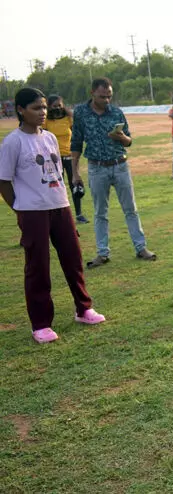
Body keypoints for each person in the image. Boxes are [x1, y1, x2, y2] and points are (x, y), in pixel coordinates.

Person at [0, 88, 106, 344]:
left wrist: (64, 201)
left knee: (73, 258)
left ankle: (84, 309)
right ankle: (41, 324)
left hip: (60, 205)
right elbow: (3, 181)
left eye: (44, 107)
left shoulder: (49, 138)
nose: (43, 112)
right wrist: (20, 208)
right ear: (21, 110)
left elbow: (57, 173)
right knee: (38, 267)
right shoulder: (13, 142)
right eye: (36, 108)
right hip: (32, 211)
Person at [71, 77, 156, 268]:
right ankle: (102, 253)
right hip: (97, 168)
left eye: (109, 96)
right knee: (100, 212)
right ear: (92, 93)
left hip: (120, 166)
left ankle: (141, 248)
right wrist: (75, 172)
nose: (107, 100)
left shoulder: (117, 112)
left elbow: (129, 141)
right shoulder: (81, 114)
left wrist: (121, 136)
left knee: (131, 209)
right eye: (103, 96)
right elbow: (76, 142)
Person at [43, 94, 88, 224]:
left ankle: (79, 214)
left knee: (75, 183)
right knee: (56, 186)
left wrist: (68, 112)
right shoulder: (46, 120)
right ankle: (58, 216)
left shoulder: (68, 118)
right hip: (53, 158)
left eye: (59, 105)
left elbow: (78, 128)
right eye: (54, 106)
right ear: (49, 107)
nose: (57, 108)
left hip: (69, 155)